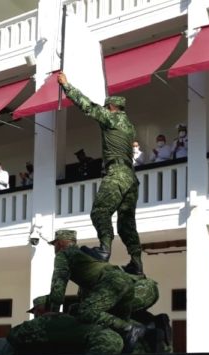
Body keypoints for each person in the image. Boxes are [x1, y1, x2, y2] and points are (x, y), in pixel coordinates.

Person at [58, 73, 143, 275]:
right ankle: (137, 263)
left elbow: (87, 106)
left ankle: (104, 250)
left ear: (112, 107)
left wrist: (67, 86)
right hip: (131, 178)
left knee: (99, 212)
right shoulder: (130, 126)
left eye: (107, 106)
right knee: (126, 224)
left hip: (116, 174)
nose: (105, 108)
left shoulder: (110, 118)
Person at [47, 229, 146, 352]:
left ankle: (130, 328)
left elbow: (59, 282)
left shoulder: (64, 254)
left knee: (85, 312)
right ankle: (147, 332)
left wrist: (54, 311)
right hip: (126, 282)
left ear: (60, 243)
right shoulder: (86, 253)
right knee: (117, 323)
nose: (55, 248)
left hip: (112, 283)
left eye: (55, 245)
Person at [7, 295, 124, 355]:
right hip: (115, 341)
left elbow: (13, 335)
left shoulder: (45, 322)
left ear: (39, 310)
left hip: (102, 344)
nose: (35, 316)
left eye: (35, 312)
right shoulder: (67, 319)